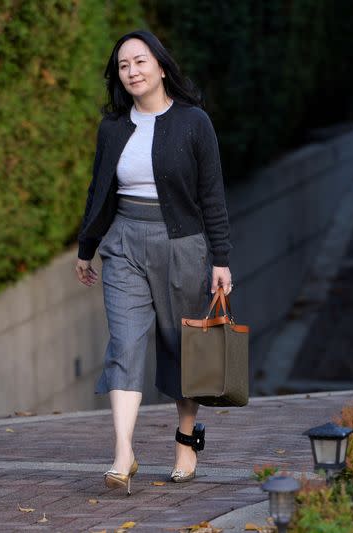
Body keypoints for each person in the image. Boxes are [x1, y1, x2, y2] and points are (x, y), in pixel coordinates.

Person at [74, 29, 233, 495]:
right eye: (124, 66)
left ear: (161, 67)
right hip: (124, 242)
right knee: (124, 344)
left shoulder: (194, 122)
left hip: (182, 244)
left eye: (140, 62)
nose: (132, 72)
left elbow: (213, 197)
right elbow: (98, 192)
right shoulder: (113, 127)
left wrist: (221, 259)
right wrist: (87, 247)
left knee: (181, 344)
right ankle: (123, 453)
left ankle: (186, 439)